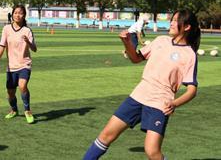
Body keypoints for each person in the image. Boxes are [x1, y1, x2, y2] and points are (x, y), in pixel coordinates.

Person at [83, 9, 200, 160]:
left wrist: (174, 103)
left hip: (159, 103)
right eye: (172, 19)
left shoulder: (189, 55)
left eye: (176, 20)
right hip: (138, 96)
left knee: (152, 152)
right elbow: (136, 58)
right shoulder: (160, 40)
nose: (171, 23)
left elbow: (192, 90)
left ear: (186, 27)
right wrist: (126, 43)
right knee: (106, 135)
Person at [0, 5, 37, 124]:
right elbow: (2, 45)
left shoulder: (27, 30)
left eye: (21, 13)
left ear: (24, 16)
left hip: (24, 64)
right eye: (16, 13)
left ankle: (27, 111)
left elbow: (34, 49)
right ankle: (14, 110)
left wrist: (28, 42)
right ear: (12, 14)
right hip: (11, 66)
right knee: (10, 92)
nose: (18, 15)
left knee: (22, 86)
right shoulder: (6, 29)